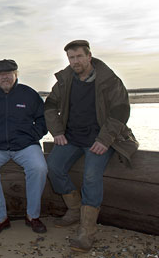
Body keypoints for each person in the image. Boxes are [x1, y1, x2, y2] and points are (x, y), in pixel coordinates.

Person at [45, 40, 138, 252]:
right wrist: (57, 131)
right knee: (54, 167)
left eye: (78, 56)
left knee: (91, 177)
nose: (75, 61)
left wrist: (105, 140)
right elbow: (50, 105)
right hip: (72, 137)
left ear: (89, 56)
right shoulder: (65, 79)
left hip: (100, 139)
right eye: (71, 57)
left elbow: (121, 111)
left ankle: (87, 230)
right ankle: (75, 209)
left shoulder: (109, 80)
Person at [0, 59, 48, 236]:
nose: (4, 77)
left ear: (16, 74)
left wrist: (33, 136)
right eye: (0, 74)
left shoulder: (29, 94)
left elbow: (43, 119)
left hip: (26, 145)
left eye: (8, 73)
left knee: (39, 167)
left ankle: (32, 216)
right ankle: (0, 219)